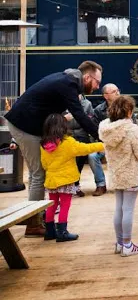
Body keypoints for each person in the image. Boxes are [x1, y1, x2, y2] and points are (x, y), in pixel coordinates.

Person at [4, 61, 102, 237]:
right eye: (97, 82)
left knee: (41, 172)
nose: (97, 87)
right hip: (23, 126)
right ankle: (33, 224)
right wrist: (102, 135)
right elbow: (79, 115)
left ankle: (42, 220)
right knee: (38, 173)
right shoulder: (68, 85)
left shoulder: (66, 81)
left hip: (31, 125)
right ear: (87, 77)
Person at [99, 95, 138, 257]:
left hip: (116, 174)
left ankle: (120, 243)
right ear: (128, 111)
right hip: (131, 175)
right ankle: (128, 245)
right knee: (128, 209)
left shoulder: (106, 129)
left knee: (119, 209)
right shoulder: (132, 129)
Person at [40, 113, 104, 242]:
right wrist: (103, 145)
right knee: (64, 205)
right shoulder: (67, 142)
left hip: (51, 180)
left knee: (52, 205)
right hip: (66, 180)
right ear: (63, 126)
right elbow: (85, 148)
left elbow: (44, 164)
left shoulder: (44, 144)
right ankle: (62, 232)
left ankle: (50, 232)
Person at [87, 83, 129, 197]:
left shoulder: (126, 107)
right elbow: (95, 131)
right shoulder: (98, 110)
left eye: (118, 90)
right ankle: (101, 185)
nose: (118, 93)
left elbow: (133, 125)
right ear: (106, 95)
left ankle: (125, 183)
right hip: (105, 143)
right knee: (92, 156)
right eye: (114, 91)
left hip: (123, 143)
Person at [65, 93, 96, 197]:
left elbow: (91, 121)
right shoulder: (63, 102)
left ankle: (76, 185)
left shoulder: (87, 104)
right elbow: (55, 119)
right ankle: (67, 187)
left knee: (79, 163)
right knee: (68, 162)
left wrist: (91, 139)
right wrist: (64, 118)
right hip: (66, 135)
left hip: (82, 135)